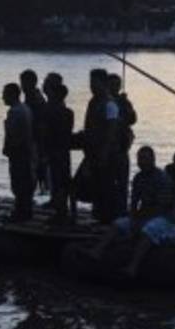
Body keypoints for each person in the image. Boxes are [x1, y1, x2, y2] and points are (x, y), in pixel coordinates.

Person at [95, 145, 175, 277]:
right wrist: (133, 219)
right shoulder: (138, 178)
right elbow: (134, 202)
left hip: (165, 218)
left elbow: (162, 208)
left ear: (153, 160)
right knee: (118, 223)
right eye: (139, 159)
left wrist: (141, 221)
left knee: (149, 229)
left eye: (144, 159)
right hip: (144, 215)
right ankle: (97, 251)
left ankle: (133, 266)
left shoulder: (162, 179)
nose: (141, 162)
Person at [72, 68, 119, 223]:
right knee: (81, 187)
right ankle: (91, 216)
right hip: (91, 152)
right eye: (90, 83)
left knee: (103, 188)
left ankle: (105, 219)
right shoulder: (93, 102)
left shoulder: (110, 104)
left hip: (103, 154)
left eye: (94, 83)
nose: (91, 86)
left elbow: (112, 130)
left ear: (103, 83)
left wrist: (104, 153)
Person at [42, 77, 75, 224]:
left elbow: (47, 132)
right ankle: (65, 211)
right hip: (63, 151)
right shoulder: (68, 112)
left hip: (55, 151)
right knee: (63, 181)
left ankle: (61, 213)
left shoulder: (52, 111)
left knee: (59, 182)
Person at [2, 83, 35, 221]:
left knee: (19, 182)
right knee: (25, 182)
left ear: (12, 95)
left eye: (5, 94)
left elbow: (14, 134)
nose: (3, 97)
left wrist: (9, 147)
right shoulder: (26, 109)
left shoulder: (15, 112)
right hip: (26, 151)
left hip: (19, 152)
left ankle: (21, 212)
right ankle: (25, 210)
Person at [107, 73, 136, 219]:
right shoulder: (104, 102)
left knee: (122, 182)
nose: (115, 87)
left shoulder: (124, 101)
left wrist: (126, 104)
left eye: (117, 85)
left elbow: (133, 119)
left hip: (122, 149)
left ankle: (122, 212)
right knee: (108, 182)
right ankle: (109, 211)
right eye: (112, 84)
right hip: (109, 149)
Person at [20, 69, 48, 195]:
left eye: (24, 83)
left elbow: (40, 123)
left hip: (35, 140)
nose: (22, 86)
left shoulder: (35, 99)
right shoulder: (32, 97)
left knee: (33, 171)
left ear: (32, 82)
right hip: (34, 139)